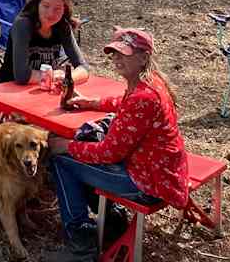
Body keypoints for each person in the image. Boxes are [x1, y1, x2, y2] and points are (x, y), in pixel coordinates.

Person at [41, 27, 189, 262]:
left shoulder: (143, 97)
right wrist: (93, 102)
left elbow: (108, 153)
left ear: (143, 57)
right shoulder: (150, 83)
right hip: (163, 173)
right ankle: (112, 221)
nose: (117, 58)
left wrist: (66, 146)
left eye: (124, 53)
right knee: (84, 150)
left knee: (62, 161)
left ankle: (82, 246)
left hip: (148, 183)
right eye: (114, 53)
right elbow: (125, 102)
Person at [0, 0, 90, 87]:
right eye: (46, 6)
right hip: (10, 89)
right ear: (37, 6)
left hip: (44, 87)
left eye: (57, 8)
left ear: (65, 9)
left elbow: (84, 67)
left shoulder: (63, 26)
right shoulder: (23, 25)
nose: (51, 13)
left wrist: (67, 77)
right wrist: (54, 75)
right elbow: (22, 76)